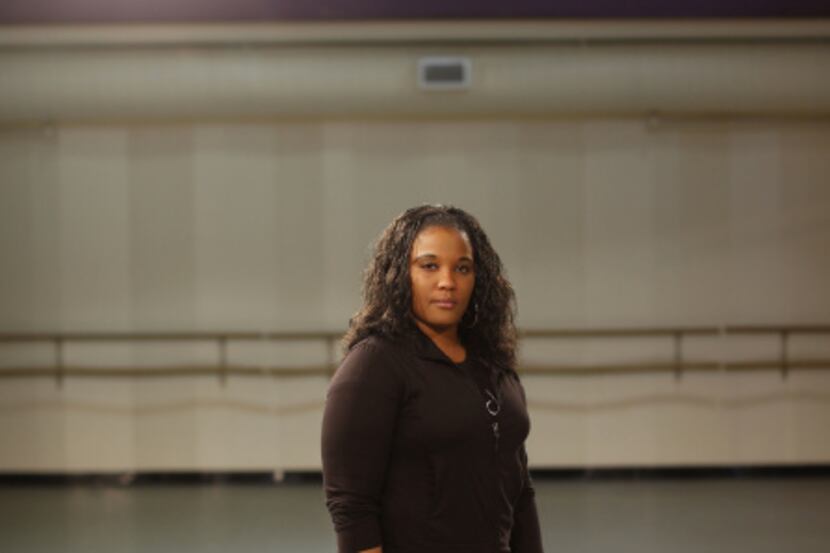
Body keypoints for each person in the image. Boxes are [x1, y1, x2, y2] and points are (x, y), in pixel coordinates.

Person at [321, 204, 544, 553]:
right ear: (399, 273)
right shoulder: (373, 366)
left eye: (463, 268)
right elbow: (352, 508)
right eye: (429, 266)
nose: (447, 282)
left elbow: (519, 491)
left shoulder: (493, 364)